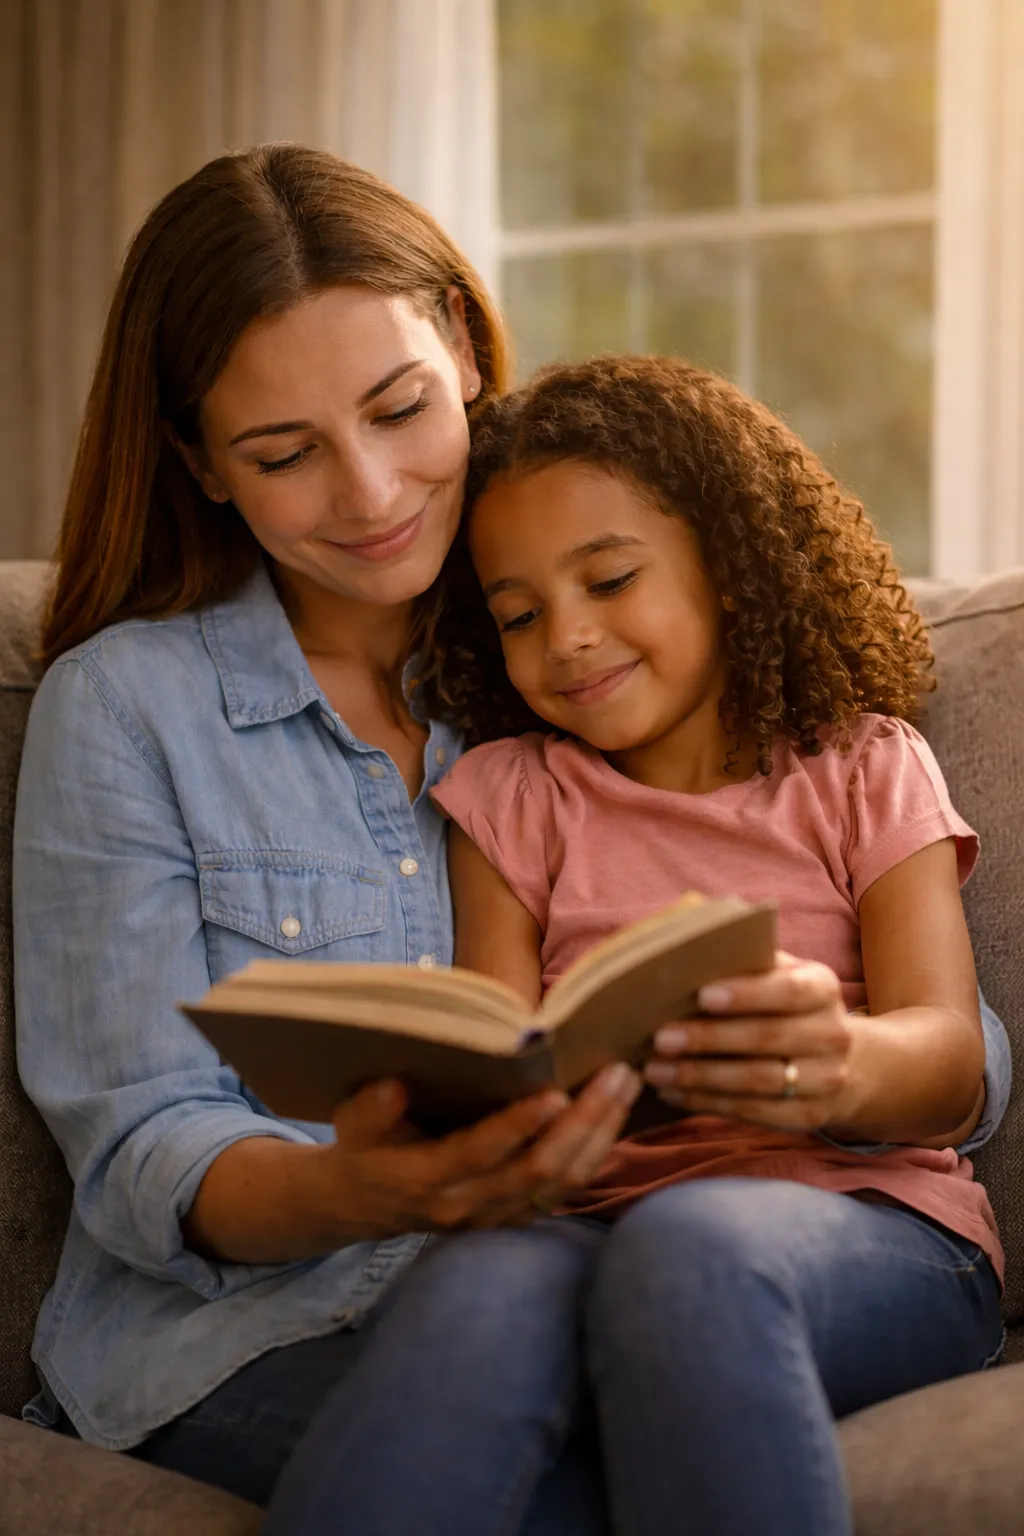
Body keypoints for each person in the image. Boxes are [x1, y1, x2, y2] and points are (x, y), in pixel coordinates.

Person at [10, 145, 1006, 1535]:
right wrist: (351, 1185)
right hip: (262, 1319)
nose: (367, 495)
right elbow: (140, 1146)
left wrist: (837, 1052)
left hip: (596, 1259)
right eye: (285, 455)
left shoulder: (567, 671)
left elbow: (948, 1039)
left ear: (467, 350)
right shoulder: (125, 709)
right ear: (200, 464)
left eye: (399, 409)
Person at [276, 354, 1006, 1536]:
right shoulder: (511, 796)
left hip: (870, 1228)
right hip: (584, 1225)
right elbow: (497, 1042)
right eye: (518, 614)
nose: (565, 638)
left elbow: (948, 1060)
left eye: (608, 580)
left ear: (729, 565)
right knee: (468, 1293)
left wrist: (844, 1062)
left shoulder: (862, 765)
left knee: (687, 1245)